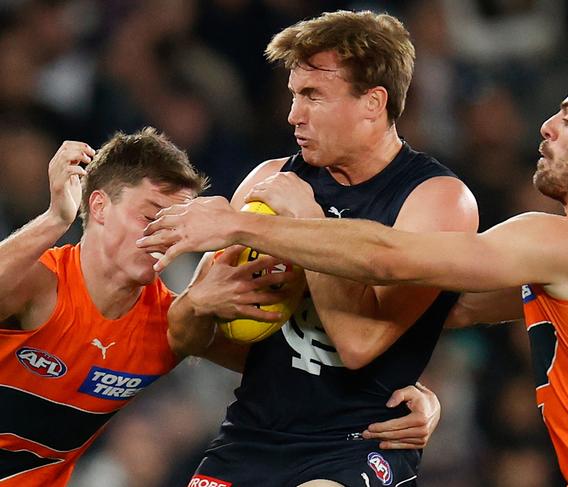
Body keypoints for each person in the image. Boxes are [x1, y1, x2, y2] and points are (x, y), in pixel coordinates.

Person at [140, 56, 568, 486]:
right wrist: (403, 386)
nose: (547, 125)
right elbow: (448, 308)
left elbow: (393, 259)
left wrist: (244, 225)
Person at [0, 127, 440, 486]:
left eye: (177, 220)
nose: (164, 231)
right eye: (150, 213)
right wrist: (55, 219)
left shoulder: (167, 321)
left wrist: (396, 392)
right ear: (98, 206)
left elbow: (292, 374)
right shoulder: (43, 282)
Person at [153, 10, 477, 487]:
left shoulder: (437, 200)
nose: (292, 115)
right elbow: (187, 337)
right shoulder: (268, 180)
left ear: (372, 103)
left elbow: (358, 345)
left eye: (313, 96)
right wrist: (199, 305)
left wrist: (306, 222)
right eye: (293, 96)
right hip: (250, 436)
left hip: (356, 444)